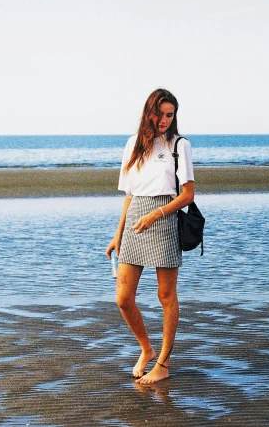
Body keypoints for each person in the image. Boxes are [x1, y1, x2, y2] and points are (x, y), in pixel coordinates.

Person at [105, 88, 194, 384]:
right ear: (149, 113)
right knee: (123, 298)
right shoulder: (133, 144)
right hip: (134, 221)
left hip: (164, 218)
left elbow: (188, 195)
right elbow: (129, 195)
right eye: (160, 114)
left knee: (165, 295)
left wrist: (156, 214)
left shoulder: (180, 145)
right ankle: (147, 348)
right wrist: (118, 235)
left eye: (171, 115)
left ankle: (164, 365)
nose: (165, 120)